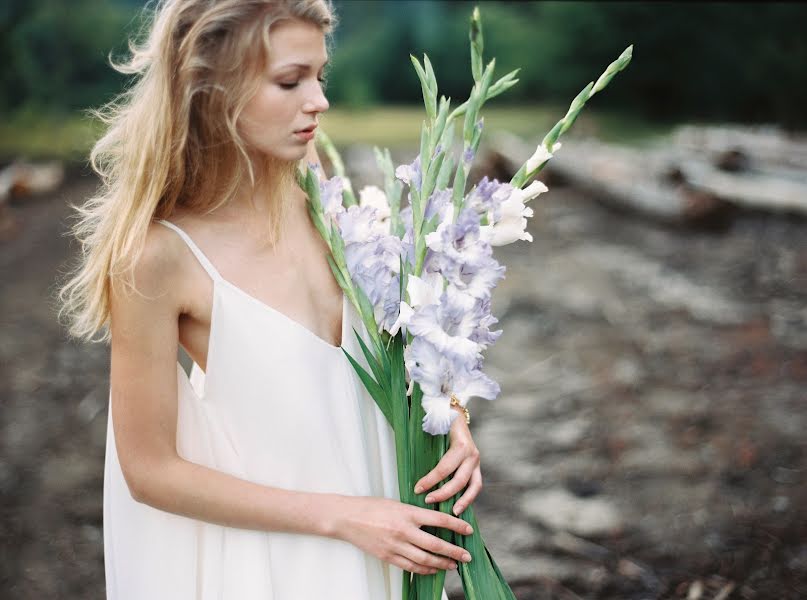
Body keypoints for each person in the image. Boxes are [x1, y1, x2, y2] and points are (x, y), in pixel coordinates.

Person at [57, 1, 484, 598]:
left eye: (320, 75)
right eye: (291, 80)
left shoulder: (312, 184)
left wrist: (452, 421)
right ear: (210, 88)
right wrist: (346, 518)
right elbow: (149, 472)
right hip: (287, 564)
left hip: (395, 538)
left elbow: (395, 339)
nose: (319, 101)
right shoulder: (157, 256)